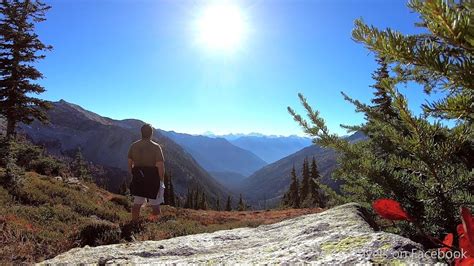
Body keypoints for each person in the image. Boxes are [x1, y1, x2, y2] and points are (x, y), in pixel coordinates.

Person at [127, 124, 165, 221]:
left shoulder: (134, 146)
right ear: (151, 133)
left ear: (141, 133)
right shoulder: (156, 147)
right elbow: (160, 166)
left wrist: (134, 175)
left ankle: (134, 223)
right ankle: (154, 227)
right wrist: (161, 180)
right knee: (155, 206)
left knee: (137, 204)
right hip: (153, 179)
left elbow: (129, 164)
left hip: (138, 178)